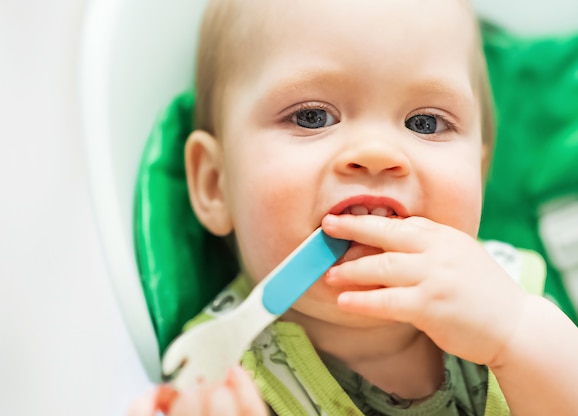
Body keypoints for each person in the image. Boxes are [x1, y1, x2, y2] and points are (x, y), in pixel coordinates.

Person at [130, 0, 578, 414]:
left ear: (478, 177)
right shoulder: (221, 375)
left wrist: (518, 334)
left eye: (425, 122)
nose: (377, 152)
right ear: (215, 184)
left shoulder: (518, 298)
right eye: (312, 116)